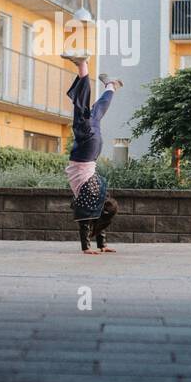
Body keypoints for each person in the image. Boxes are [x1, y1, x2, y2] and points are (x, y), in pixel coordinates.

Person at [62, 52, 122, 254]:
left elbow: (90, 217)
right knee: (86, 111)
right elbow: (87, 216)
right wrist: (88, 247)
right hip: (87, 151)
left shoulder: (94, 192)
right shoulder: (92, 193)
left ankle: (107, 83)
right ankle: (88, 69)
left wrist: (98, 245)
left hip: (89, 151)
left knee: (93, 111)